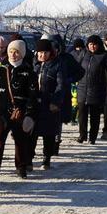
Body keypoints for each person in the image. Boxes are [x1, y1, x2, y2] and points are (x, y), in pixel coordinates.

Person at [0, 39, 39, 181]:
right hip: (1, 112)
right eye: (10, 51)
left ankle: (21, 167)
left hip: (19, 112)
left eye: (16, 52)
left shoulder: (29, 72)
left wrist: (29, 114)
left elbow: (34, 96)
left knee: (21, 141)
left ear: (22, 53)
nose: (13, 54)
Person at [33, 39, 69, 168]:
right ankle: (29, 157)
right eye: (40, 52)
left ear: (50, 52)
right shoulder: (35, 65)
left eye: (45, 52)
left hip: (49, 103)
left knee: (48, 132)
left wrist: (55, 101)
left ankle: (46, 158)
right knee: (32, 132)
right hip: (35, 103)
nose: (42, 55)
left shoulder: (57, 65)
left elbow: (61, 85)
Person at [75, 35, 107, 144]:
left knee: (95, 116)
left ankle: (92, 137)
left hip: (96, 89)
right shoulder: (83, 54)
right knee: (82, 115)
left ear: (98, 45)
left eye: (94, 44)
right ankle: (82, 135)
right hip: (82, 89)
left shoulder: (103, 56)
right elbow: (76, 67)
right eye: (90, 44)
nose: (92, 47)